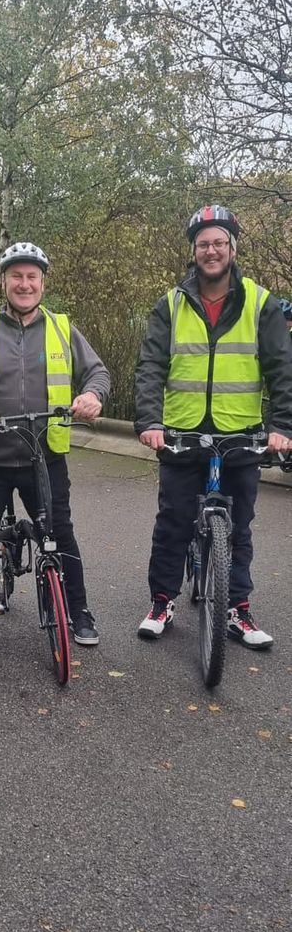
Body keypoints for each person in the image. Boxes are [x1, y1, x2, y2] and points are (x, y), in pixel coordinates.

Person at [135, 204, 292, 649]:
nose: (211, 250)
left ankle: (237, 609)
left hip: (241, 432)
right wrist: (148, 421)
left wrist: (282, 425)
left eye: (218, 242)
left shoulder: (260, 303)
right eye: (203, 244)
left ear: (232, 248)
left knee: (239, 527)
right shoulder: (171, 303)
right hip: (182, 432)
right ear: (193, 251)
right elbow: (150, 367)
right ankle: (161, 601)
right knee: (173, 523)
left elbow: (283, 370)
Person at [0, 241, 110, 645]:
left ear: (42, 283)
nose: (24, 283)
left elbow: (98, 373)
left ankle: (78, 611)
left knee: (60, 534)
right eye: (16, 276)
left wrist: (93, 396)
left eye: (31, 276)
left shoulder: (61, 328)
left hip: (44, 456)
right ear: (4, 281)